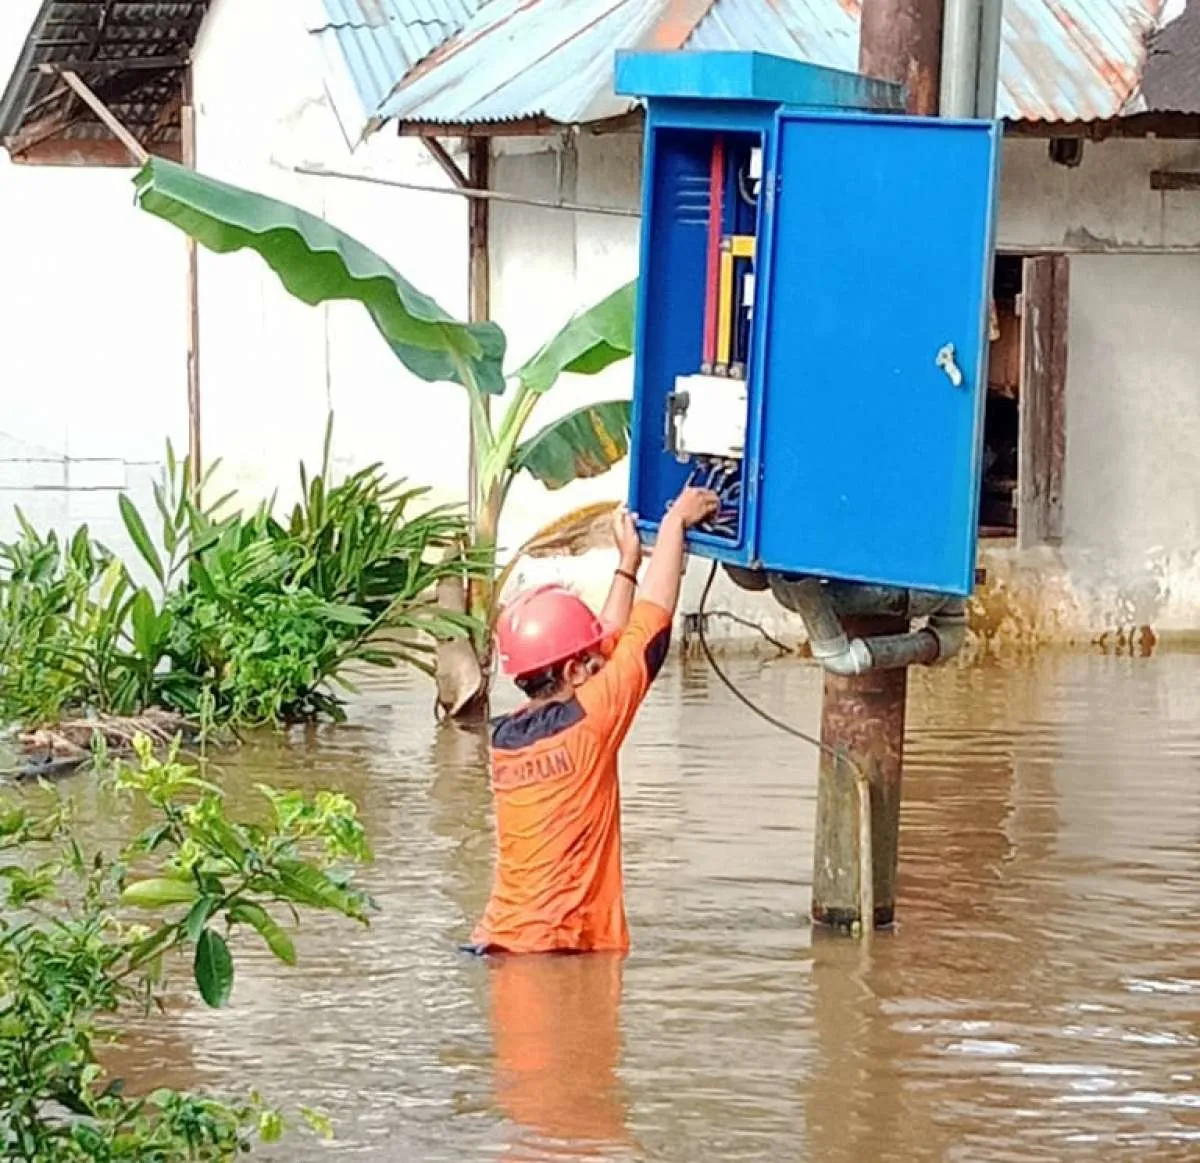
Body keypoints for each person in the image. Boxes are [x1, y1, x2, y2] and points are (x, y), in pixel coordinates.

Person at [470, 486, 720, 955]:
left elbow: (603, 643)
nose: (599, 661)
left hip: (500, 942)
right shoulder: (592, 719)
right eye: (588, 661)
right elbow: (653, 622)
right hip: (558, 952)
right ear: (570, 671)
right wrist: (674, 526)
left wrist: (628, 563)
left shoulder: (505, 737)